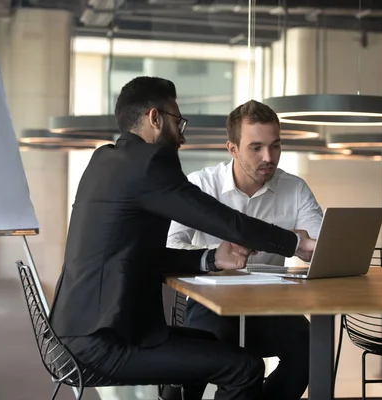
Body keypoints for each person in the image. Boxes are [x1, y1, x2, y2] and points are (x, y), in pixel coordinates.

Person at [48, 77, 316, 400]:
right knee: (245, 368)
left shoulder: (103, 161)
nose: (183, 135)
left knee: (215, 347)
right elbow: (228, 222)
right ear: (155, 118)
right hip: (103, 342)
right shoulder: (150, 164)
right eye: (178, 121)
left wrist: (211, 258)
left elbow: (142, 256)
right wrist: (294, 243)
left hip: (76, 333)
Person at [166, 100, 323, 400]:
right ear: (232, 149)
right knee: (204, 361)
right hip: (210, 303)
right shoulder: (200, 184)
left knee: (313, 344)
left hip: (270, 305)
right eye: (256, 147)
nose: (269, 157)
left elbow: (319, 246)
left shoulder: (295, 189)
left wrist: (299, 244)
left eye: (275, 146)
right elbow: (170, 244)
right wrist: (216, 255)